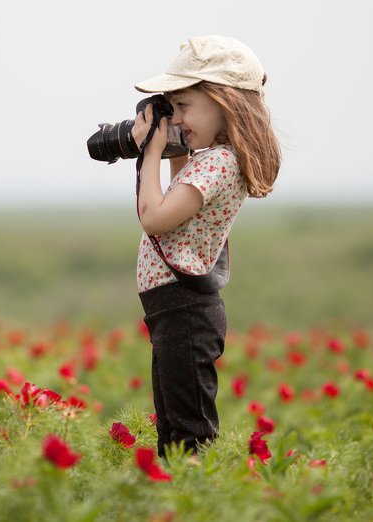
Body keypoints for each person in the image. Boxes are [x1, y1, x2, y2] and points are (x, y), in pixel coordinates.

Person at [131, 35, 281, 457]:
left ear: (224, 102)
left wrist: (150, 151)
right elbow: (179, 190)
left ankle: (196, 499)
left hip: (185, 311)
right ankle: (181, 496)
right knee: (173, 423)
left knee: (187, 433)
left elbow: (154, 217)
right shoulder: (211, 158)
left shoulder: (220, 162)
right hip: (174, 308)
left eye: (183, 107)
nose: (176, 119)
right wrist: (173, 149)